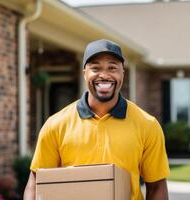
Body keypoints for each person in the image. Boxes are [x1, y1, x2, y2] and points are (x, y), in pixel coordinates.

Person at [23, 39, 170, 200]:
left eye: (112, 68)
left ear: (123, 73)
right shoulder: (56, 125)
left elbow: (156, 186)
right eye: (95, 68)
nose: (104, 75)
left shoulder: (147, 124)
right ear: (84, 73)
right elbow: (36, 182)